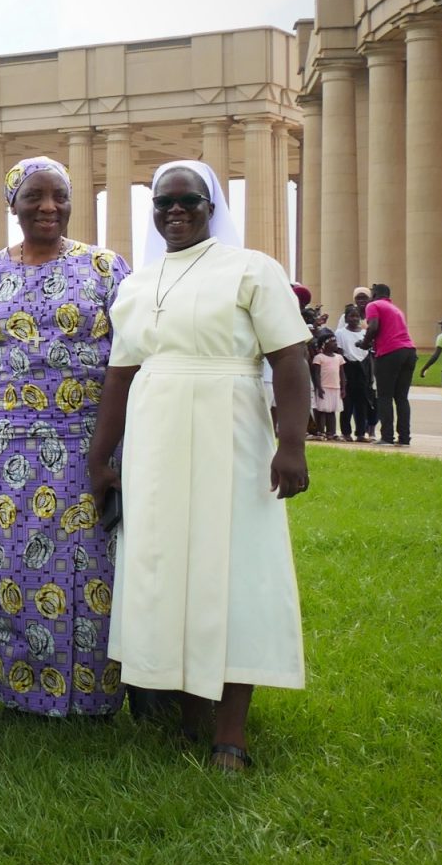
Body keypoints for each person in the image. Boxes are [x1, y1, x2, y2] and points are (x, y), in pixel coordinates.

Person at [87, 159, 312, 772]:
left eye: (188, 200)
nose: (175, 211)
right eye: (163, 203)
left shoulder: (251, 269)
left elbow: (290, 360)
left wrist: (291, 445)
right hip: (154, 440)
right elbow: (120, 375)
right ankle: (188, 715)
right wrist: (99, 456)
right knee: (165, 569)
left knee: (233, 569)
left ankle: (230, 735)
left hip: (231, 431)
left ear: (211, 205)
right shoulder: (138, 282)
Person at [0, 157, 130, 718]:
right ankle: (25, 695)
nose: (47, 207)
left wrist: (116, 448)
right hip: (8, 447)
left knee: (93, 564)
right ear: (13, 205)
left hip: (89, 443)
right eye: (34, 197)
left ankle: (93, 698)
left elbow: (128, 360)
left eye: (58, 197)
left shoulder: (105, 268)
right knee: (14, 566)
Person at [363, 281, 416, 445]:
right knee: (401, 397)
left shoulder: (373, 305)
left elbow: (373, 327)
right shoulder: (396, 309)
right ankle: (404, 437)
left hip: (390, 353)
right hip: (409, 351)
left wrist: (365, 343)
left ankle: (387, 437)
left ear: (375, 294)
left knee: (384, 396)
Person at [330, 302, 372, 441]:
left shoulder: (365, 333)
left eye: (357, 316)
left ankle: (360, 433)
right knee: (347, 403)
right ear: (346, 318)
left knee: (362, 402)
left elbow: (368, 352)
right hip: (347, 367)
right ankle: (346, 432)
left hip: (362, 368)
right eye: (351, 316)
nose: (354, 319)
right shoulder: (340, 333)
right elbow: (339, 351)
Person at [310, 333, 345, 440]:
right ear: (324, 344)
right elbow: (316, 374)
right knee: (322, 411)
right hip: (323, 387)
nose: (335, 344)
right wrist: (319, 387)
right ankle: (321, 431)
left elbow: (342, 374)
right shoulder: (319, 357)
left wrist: (343, 388)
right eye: (332, 342)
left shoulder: (339, 358)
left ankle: (332, 432)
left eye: (335, 342)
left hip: (335, 388)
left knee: (332, 411)